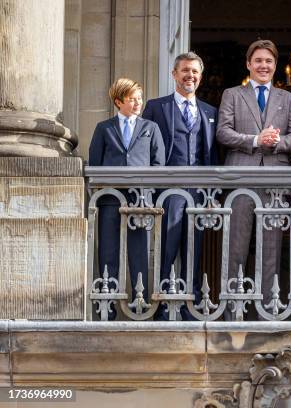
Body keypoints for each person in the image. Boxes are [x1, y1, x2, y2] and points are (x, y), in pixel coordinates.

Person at [216, 39, 291, 319]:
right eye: (259, 61)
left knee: (271, 248)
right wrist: (255, 139)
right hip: (241, 177)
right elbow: (223, 133)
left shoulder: (287, 99)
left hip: (275, 181)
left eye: (269, 61)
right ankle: (232, 309)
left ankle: (268, 309)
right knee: (236, 246)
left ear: (275, 66)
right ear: (249, 64)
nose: (264, 66)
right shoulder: (232, 94)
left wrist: (276, 142)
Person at [142, 52, 218, 320]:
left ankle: (190, 306)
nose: (190, 76)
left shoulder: (210, 111)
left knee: (193, 250)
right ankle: (161, 306)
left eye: (195, 71)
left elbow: (212, 156)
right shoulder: (155, 107)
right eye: (185, 70)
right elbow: (146, 147)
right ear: (174, 74)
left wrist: (212, 193)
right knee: (167, 247)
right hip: (168, 190)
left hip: (198, 191)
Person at [89, 78, 165, 319]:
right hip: (110, 198)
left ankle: (140, 307)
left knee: (139, 252)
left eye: (139, 98)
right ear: (118, 101)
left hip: (139, 199)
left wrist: (150, 196)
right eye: (132, 99)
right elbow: (95, 162)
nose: (137, 103)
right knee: (108, 253)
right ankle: (106, 309)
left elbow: (158, 164)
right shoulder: (104, 128)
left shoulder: (150, 128)